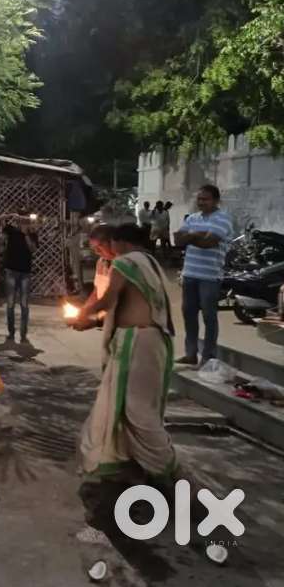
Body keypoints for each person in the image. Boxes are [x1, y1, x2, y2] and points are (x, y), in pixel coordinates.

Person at [75, 223, 177, 481]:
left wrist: (83, 313)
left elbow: (108, 300)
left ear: (118, 242)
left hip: (137, 343)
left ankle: (170, 470)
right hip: (155, 340)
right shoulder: (150, 263)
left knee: (137, 411)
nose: (104, 252)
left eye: (105, 246)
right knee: (135, 407)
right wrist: (93, 319)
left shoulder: (125, 262)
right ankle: (132, 461)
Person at [174, 184, 233, 365]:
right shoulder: (192, 218)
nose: (201, 202)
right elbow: (177, 240)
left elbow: (209, 243)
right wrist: (198, 234)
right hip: (190, 274)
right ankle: (191, 354)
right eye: (199, 199)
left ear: (216, 200)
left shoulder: (223, 219)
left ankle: (208, 356)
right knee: (188, 315)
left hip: (210, 276)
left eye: (205, 199)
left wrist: (190, 237)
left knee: (209, 316)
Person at [1, 211, 38, 344]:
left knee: (24, 305)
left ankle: (23, 334)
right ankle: (11, 332)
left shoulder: (31, 234)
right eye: (21, 221)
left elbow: (33, 249)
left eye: (24, 221)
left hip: (25, 273)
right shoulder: (11, 231)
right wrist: (8, 216)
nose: (22, 223)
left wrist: (26, 234)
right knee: (10, 304)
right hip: (11, 270)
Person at [71, 224, 117, 333]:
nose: (97, 252)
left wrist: (95, 321)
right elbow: (97, 292)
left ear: (112, 242)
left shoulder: (124, 265)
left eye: (99, 247)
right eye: (94, 248)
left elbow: (120, 304)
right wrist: (84, 311)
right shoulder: (101, 263)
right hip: (107, 325)